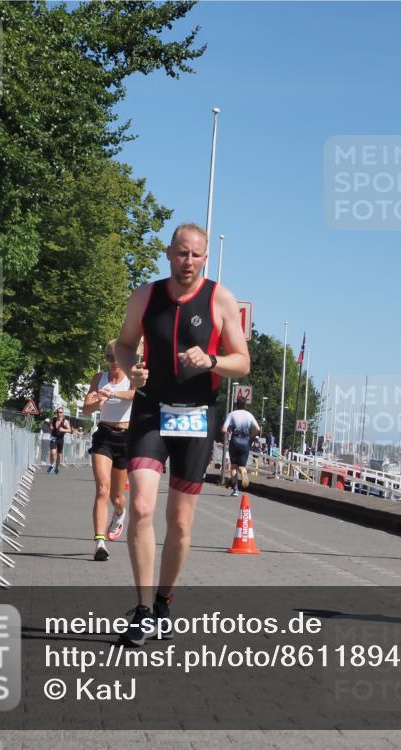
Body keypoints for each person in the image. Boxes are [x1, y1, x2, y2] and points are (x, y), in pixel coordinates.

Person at [114, 222, 250, 646]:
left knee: (180, 521)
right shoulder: (146, 295)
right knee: (140, 506)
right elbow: (122, 344)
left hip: (195, 416)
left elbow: (242, 362)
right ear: (169, 254)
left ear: (204, 259)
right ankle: (140, 610)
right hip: (152, 409)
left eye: (195, 255)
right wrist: (130, 369)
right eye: (180, 253)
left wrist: (211, 360)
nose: (187, 261)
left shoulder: (220, 299)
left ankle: (164, 601)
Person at [82, 341, 136, 562]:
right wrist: (97, 403)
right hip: (103, 436)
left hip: (125, 438)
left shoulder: (133, 377)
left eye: (117, 358)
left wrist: (113, 395)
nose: (113, 363)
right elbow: (86, 407)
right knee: (102, 490)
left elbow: (137, 395)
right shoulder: (98, 378)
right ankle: (100, 543)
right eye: (109, 358)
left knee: (117, 496)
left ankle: (120, 513)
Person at [222, 396, 260, 496]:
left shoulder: (232, 414)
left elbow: (224, 429)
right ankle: (243, 470)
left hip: (235, 441)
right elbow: (257, 428)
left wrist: (230, 430)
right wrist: (250, 437)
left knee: (233, 467)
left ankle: (235, 490)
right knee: (241, 466)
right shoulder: (249, 415)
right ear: (245, 405)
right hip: (246, 441)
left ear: (236, 404)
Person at [47, 407, 72, 474]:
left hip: (60, 438)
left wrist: (63, 430)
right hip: (54, 437)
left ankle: (57, 467)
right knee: (53, 452)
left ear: (63, 413)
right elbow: (50, 426)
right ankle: (52, 465)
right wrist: (50, 426)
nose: (59, 413)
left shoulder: (65, 421)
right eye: (58, 412)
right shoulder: (54, 419)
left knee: (59, 454)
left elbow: (70, 430)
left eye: (60, 412)